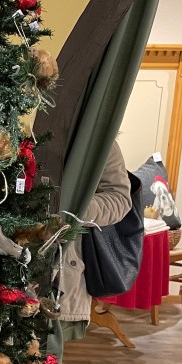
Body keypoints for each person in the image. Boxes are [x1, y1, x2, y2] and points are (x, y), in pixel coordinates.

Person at [59, 140, 132, 327]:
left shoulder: (95, 132)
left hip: (62, 271)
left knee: (47, 343)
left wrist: (70, 210)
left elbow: (119, 199)